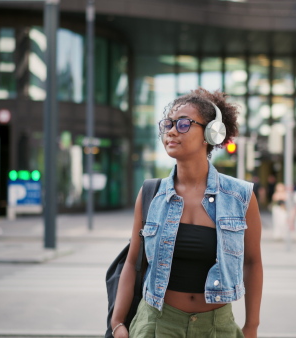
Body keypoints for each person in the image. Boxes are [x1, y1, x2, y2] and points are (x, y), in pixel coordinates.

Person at [110, 88, 263, 338]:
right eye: (168, 124)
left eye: (183, 124)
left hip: (218, 328)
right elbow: (132, 262)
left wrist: (251, 327)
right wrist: (118, 323)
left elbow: (253, 263)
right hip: (157, 324)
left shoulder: (241, 196)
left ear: (210, 133)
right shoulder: (151, 193)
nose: (171, 131)